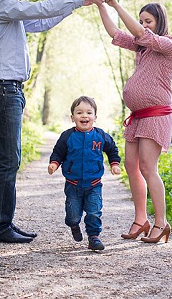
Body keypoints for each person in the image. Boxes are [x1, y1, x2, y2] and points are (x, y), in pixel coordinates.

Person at [0, 0, 110, 243]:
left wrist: (77, 4)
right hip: (1, 90)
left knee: (9, 160)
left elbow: (42, 20)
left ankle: (2, 224)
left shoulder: (11, 11)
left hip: (8, 90)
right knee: (7, 161)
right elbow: (37, 9)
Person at [96, 0, 172, 244]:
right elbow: (116, 33)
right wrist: (101, 5)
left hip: (156, 114)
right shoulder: (141, 47)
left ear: (159, 22)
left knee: (147, 167)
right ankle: (140, 219)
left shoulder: (168, 45)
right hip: (137, 116)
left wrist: (116, 5)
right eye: (141, 20)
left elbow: (142, 35)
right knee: (131, 166)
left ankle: (161, 223)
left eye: (148, 21)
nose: (143, 25)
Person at [47, 96, 121, 251]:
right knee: (73, 215)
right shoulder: (67, 136)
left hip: (94, 184)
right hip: (73, 185)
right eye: (79, 113)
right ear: (72, 117)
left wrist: (114, 164)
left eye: (89, 112)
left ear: (95, 117)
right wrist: (54, 164)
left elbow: (112, 149)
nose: (84, 116)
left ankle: (94, 237)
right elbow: (58, 153)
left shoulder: (100, 135)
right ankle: (74, 225)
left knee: (94, 211)